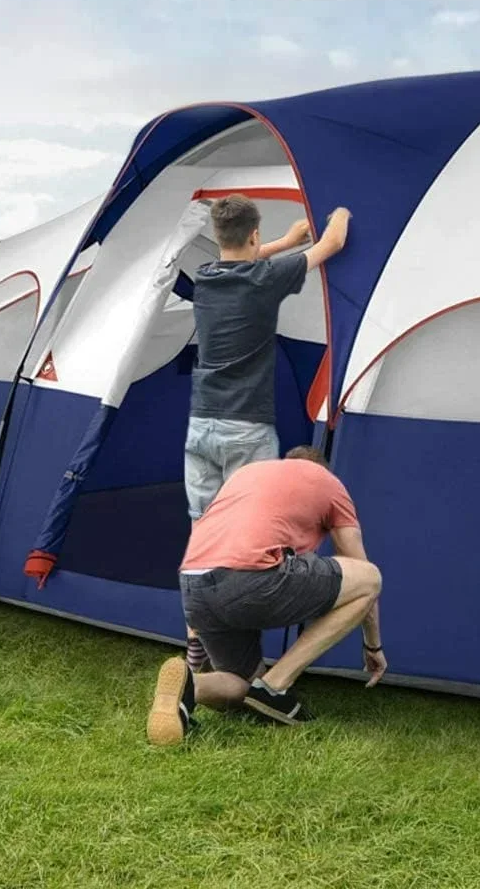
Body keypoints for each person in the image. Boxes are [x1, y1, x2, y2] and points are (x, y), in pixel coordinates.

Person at [183, 194, 352, 672]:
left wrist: (285, 240)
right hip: (245, 429)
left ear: (219, 239)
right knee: (249, 541)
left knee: (205, 538)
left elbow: (244, 257)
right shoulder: (265, 279)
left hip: (202, 427)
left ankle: (198, 646)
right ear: (254, 234)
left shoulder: (208, 280)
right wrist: (339, 207)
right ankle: (245, 658)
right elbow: (335, 241)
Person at [148, 447, 385, 746]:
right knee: (370, 578)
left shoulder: (247, 475)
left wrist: (194, 640)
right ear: (321, 468)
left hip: (193, 585)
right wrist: (372, 645)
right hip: (250, 580)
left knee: (242, 686)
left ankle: (189, 686)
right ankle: (275, 686)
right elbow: (359, 567)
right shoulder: (329, 483)